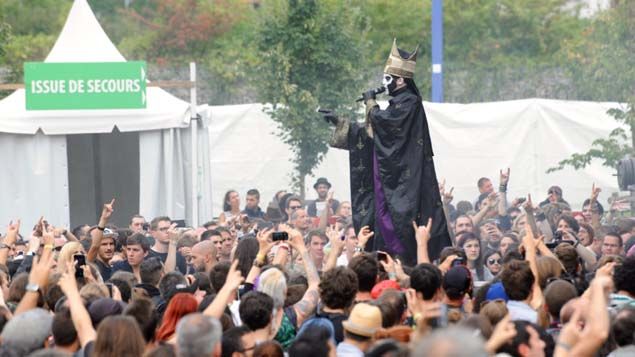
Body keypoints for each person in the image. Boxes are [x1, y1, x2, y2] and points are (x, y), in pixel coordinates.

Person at [325, 39, 450, 265]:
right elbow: (375, 133)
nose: (385, 82)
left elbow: (384, 124)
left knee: (399, 222)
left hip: (404, 181)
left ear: (401, 80)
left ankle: (406, 259)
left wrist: (371, 103)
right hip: (386, 176)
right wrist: (340, 122)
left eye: (388, 78)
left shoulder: (410, 103)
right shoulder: (397, 105)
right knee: (383, 217)